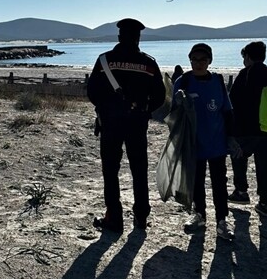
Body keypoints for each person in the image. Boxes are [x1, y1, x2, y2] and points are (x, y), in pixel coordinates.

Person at [87, 18, 166, 232]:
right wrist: (145, 110)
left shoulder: (105, 60)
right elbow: (160, 95)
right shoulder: (148, 63)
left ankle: (114, 217)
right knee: (139, 169)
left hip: (110, 123)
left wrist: (105, 108)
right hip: (137, 123)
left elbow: (92, 91)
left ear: (119, 37)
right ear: (138, 37)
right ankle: (141, 216)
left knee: (110, 171)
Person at [173, 43, 239, 240]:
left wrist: (231, 138)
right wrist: (178, 104)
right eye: (195, 59)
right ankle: (199, 215)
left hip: (216, 143)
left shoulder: (217, 81)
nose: (199, 63)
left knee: (220, 182)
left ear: (210, 61)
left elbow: (227, 111)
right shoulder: (183, 81)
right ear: (190, 60)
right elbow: (173, 116)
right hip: (193, 143)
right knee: (197, 181)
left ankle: (222, 221)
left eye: (203, 60)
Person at [228, 41, 267, 217]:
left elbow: (233, 102)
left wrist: (232, 129)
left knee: (238, 157)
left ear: (248, 56)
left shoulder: (245, 75)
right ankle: (266, 202)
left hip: (247, 129)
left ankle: (241, 191)